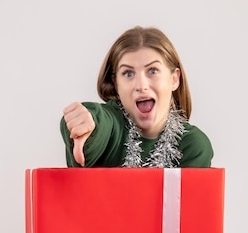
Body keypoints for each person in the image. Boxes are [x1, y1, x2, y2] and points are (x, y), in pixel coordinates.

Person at [61, 26, 213, 168]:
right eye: (128, 73)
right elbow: (99, 120)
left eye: (153, 71)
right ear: (116, 84)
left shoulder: (192, 145)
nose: (141, 85)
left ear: (174, 79)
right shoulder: (112, 126)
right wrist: (83, 123)